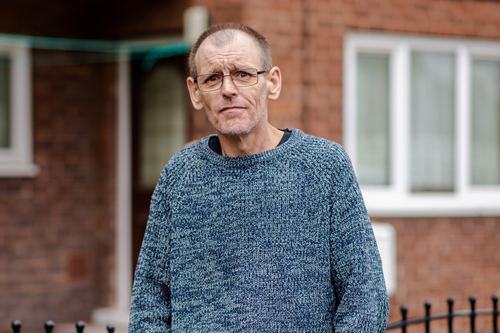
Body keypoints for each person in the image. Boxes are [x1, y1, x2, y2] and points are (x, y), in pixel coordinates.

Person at [129, 22, 389, 332]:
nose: (228, 89)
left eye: (243, 74)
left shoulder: (325, 166)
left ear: (272, 82)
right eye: (212, 78)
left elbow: (365, 297)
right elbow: (149, 300)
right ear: (195, 92)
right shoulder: (179, 175)